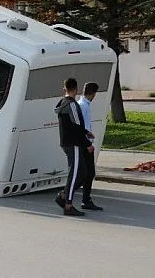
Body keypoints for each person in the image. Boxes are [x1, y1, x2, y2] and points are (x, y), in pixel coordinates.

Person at [53, 77, 93, 216]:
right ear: (75, 89)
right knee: (75, 173)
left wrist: (86, 132)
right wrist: (87, 143)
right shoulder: (71, 105)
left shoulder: (62, 103)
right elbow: (77, 127)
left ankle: (64, 195)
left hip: (67, 142)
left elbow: (72, 126)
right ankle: (68, 205)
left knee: (82, 172)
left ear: (64, 89)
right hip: (73, 143)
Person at [77, 82, 103, 211]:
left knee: (86, 173)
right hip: (85, 143)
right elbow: (81, 127)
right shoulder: (83, 106)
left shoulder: (84, 104)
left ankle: (85, 199)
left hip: (86, 141)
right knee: (87, 172)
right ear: (94, 93)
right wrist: (87, 143)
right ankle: (82, 199)